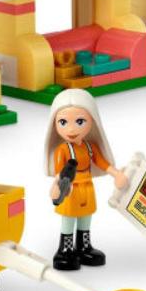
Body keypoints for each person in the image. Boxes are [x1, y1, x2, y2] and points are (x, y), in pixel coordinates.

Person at [43, 89, 128, 270]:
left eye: (80, 121)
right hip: (70, 188)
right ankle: (65, 250)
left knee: (85, 217)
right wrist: (57, 186)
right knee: (68, 218)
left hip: (87, 187)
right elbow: (59, 172)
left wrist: (116, 174)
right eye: (63, 122)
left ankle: (83, 246)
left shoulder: (90, 147)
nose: (71, 129)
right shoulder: (62, 150)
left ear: (92, 121)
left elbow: (102, 162)